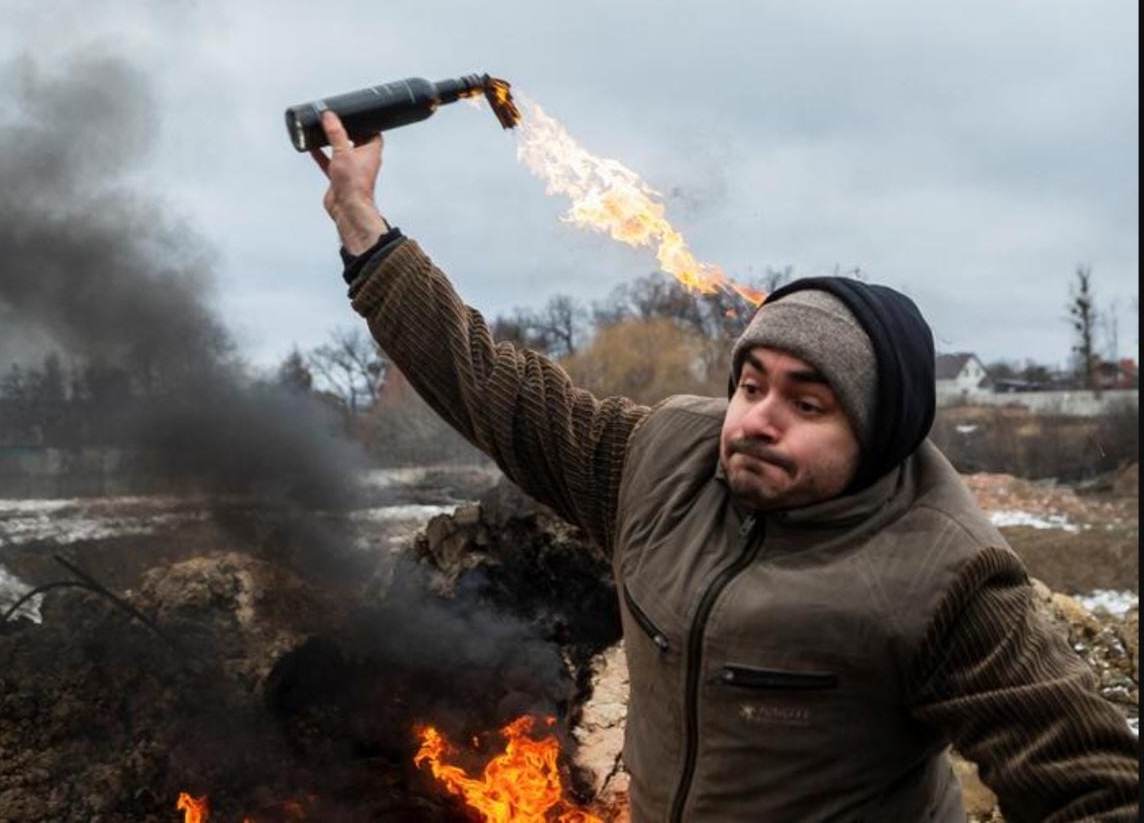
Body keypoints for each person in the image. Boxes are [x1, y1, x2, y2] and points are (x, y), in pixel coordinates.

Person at [307, 110, 1139, 821]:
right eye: (750, 385)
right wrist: (362, 226)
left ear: (880, 433)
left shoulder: (945, 573)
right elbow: (495, 390)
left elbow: (1093, 788)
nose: (758, 421)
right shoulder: (667, 459)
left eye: (807, 404)